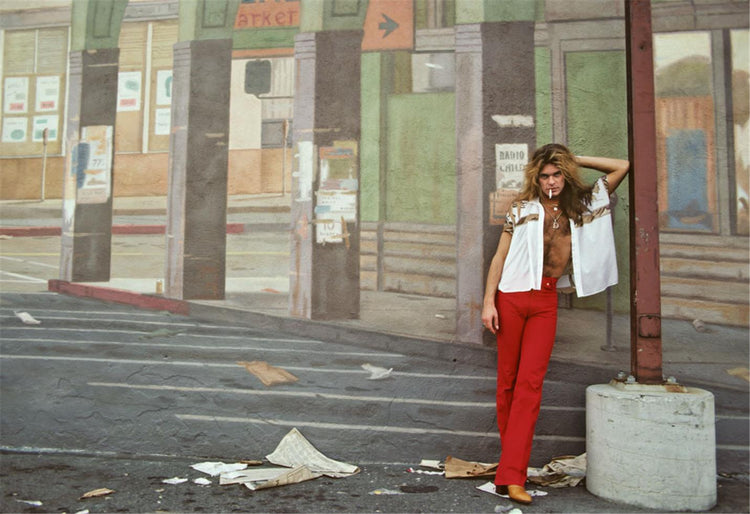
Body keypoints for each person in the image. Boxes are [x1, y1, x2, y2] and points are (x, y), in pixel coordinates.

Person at [481, 143, 629, 505]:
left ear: (565, 174)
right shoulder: (522, 208)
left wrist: (574, 159)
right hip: (511, 298)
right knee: (508, 385)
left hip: (546, 302)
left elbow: (621, 166)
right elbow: (500, 256)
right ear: (537, 177)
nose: (551, 181)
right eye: (545, 175)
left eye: (557, 173)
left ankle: (512, 475)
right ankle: (510, 468)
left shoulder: (582, 205)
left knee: (530, 385)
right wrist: (488, 303)